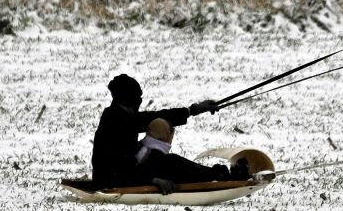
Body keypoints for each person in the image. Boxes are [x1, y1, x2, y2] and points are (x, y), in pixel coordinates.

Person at [90, 74, 243, 190]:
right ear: (127, 101)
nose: (139, 104)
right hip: (113, 181)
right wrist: (152, 180)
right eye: (137, 100)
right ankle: (220, 175)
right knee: (170, 163)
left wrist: (194, 110)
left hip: (126, 175)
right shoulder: (114, 127)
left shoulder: (122, 116)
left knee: (168, 161)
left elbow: (158, 116)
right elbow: (118, 168)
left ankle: (219, 174)